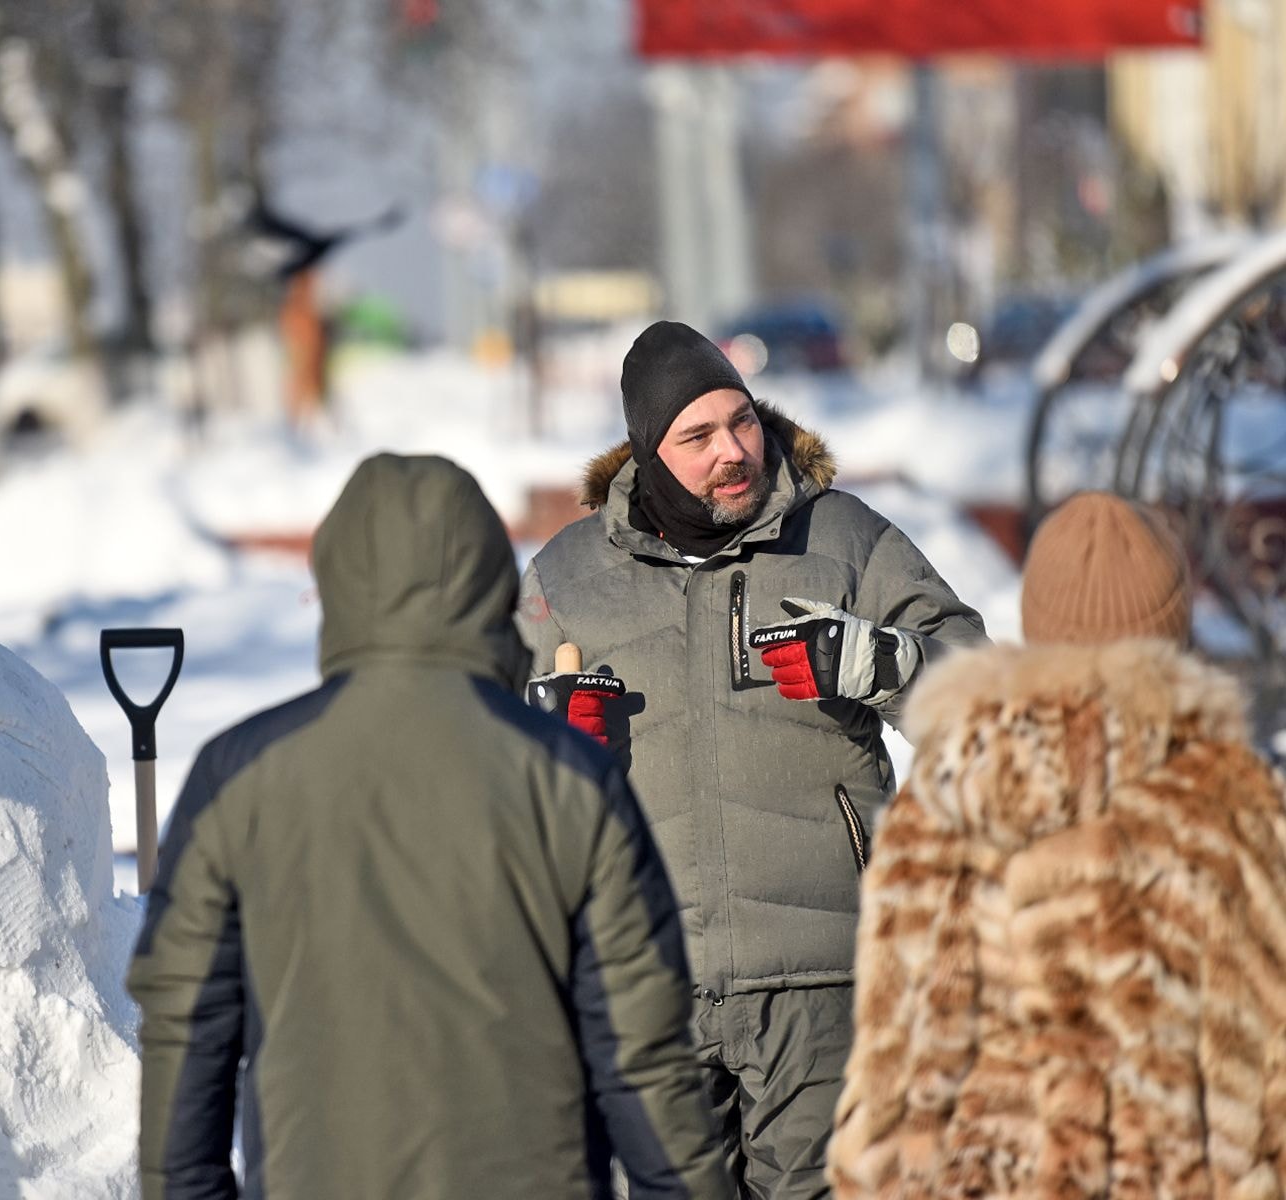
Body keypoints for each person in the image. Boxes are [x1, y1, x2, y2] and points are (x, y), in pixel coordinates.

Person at [127, 453, 736, 1200]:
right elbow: (645, 1054)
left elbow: (186, 1030)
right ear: (491, 584)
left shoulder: (238, 775)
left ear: (338, 584)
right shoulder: (567, 776)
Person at [517, 321, 987, 1198]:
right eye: (697, 437)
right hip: (648, 983)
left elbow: (984, 700)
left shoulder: (844, 540)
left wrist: (877, 663)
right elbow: (485, 749)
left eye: (741, 422)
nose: (732, 452)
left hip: (826, 977)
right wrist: (544, 733)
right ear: (648, 455)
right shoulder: (566, 580)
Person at [829, 491, 1286, 1198]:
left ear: (1037, 618)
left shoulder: (950, 799)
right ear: (1173, 624)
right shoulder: (1233, 801)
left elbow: (897, 1062)